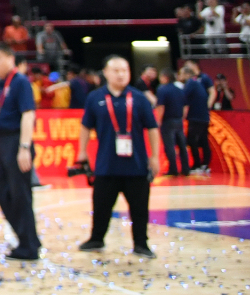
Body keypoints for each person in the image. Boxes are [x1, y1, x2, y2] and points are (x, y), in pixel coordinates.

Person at [74, 54, 161, 258]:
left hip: (136, 165)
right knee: (101, 205)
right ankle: (96, 238)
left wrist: (155, 156)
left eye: (125, 70)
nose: (121, 74)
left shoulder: (139, 98)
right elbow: (85, 126)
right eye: (116, 70)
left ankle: (141, 243)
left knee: (140, 208)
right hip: (107, 165)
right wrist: (82, 151)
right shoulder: (95, 98)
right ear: (105, 73)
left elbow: (153, 128)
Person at [0, 42, 41, 261]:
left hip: (15, 141)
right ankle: (29, 238)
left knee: (20, 195)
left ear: (10, 58)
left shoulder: (20, 81)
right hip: (3, 141)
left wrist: (24, 147)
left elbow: (28, 114)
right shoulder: (2, 83)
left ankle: (28, 246)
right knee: (4, 193)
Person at [154, 68, 190, 176]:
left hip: (168, 121)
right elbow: (186, 106)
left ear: (165, 77)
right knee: (182, 145)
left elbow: (161, 107)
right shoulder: (179, 89)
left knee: (169, 145)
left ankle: (173, 169)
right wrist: (182, 118)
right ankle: (186, 169)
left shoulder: (162, 90)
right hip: (178, 120)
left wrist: (158, 121)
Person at [181, 63, 212, 176]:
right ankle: (206, 165)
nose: (180, 76)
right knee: (203, 140)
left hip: (196, 117)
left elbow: (183, 96)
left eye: (182, 74)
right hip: (204, 117)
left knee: (192, 140)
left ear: (187, 74)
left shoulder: (191, 83)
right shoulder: (197, 83)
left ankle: (197, 164)